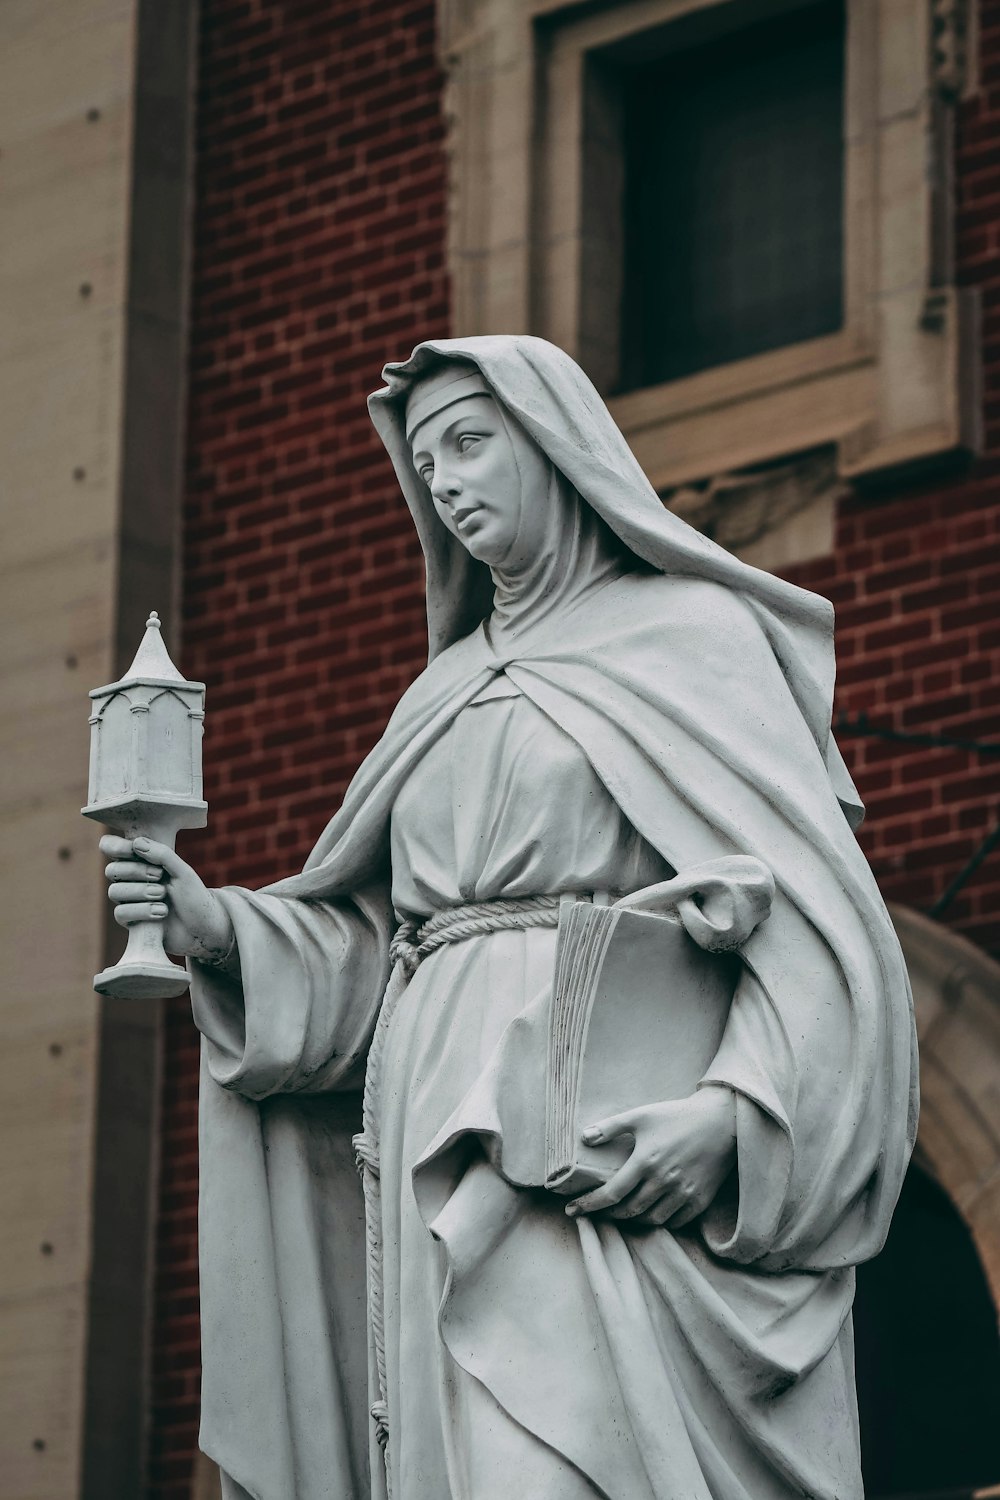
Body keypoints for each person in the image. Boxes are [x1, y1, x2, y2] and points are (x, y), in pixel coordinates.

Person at [101, 336, 917, 1500]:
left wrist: (735, 1117)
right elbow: (387, 951)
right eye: (426, 463)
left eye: (472, 444)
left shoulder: (691, 638)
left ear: (555, 448)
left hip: (608, 1140)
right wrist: (223, 934)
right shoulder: (440, 692)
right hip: (432, 1121)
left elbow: (819, 929)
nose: (445, 481)